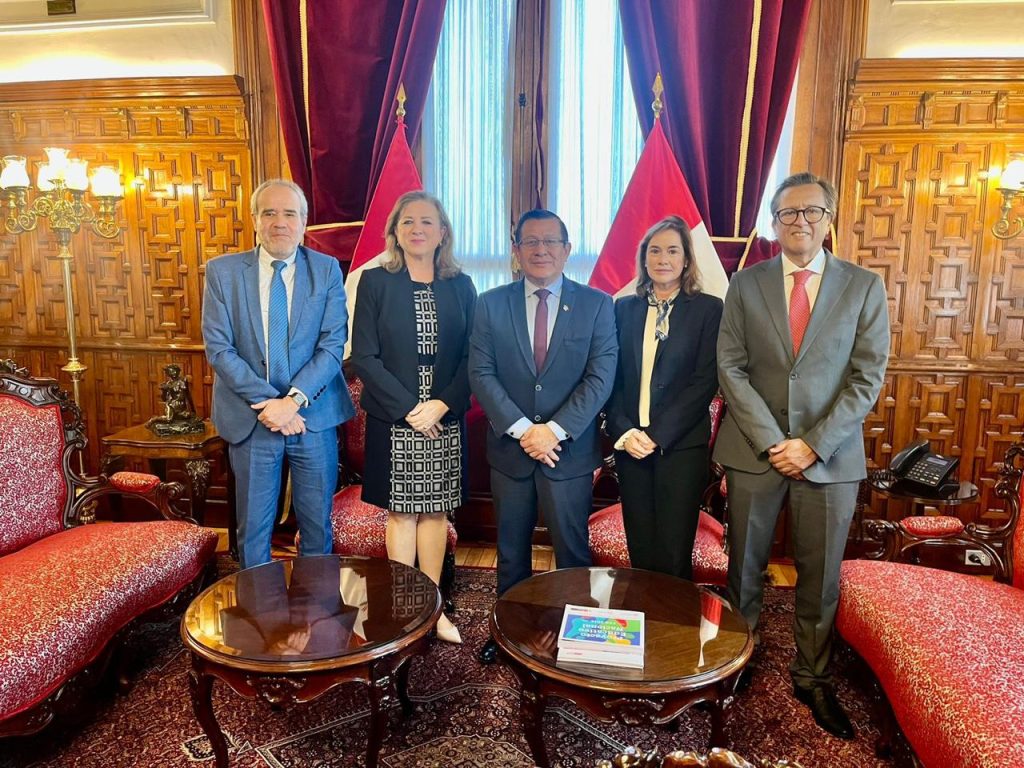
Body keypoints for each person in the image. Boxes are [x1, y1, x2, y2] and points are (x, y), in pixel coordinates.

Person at [714, 172, 889, 739]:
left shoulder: (863, 286)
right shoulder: (746, 284)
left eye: (812, 212)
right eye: (789, 213)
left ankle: (812, 676)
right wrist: (773, 440)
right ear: (773, 223)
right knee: (742, 566)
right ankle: (735, 663)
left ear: (829, 218)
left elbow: (866, 379)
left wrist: (812, 443)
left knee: (820, 576)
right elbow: (731, 368)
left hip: (829, 458)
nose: (801, 222)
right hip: (754, 451)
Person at [469, 209, 617, 664]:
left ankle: (576, 635)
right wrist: (521, 430)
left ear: (567, 249)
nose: (540, 250)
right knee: (511, 549)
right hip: (510, 450)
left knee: (571, 550)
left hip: (567, 452)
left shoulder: (596, 304)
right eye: (529, 242)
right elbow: (481, 371)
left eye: (551, 241)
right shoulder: (490, 303)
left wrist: (552, 431)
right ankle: (511, 630)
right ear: (515, 251)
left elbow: (601, 375)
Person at [202, 179, 354, 570]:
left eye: (290, 213)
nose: (279, 222)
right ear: (254, 219)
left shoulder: (326, 271)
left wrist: (293, 401)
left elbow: (333, 344)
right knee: (253, 530)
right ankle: (259, 621)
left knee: (317, 528)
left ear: (303, 221)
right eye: (269, 212)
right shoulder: (223, 272)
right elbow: (220, 349)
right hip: (253, 418)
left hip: (312, 417)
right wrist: (272, 404)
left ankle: (316, 615)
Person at [350, 191, 476, 645]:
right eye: (407, 222)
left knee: (435, 513)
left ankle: (435, 608)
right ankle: (405, 608)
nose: (417, 228)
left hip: (443, 415)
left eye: (427, 221)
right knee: (402, 514)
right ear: (395, 232)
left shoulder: (461, 284)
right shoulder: (375, 282)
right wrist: (409, 408)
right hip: (395, 414)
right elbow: (364, 355)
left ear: (443, 232)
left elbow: (473, 357)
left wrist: (442, 404)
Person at [605, 215, 722, 580]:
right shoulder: (623, 308)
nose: (663, 258)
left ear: (686, 258)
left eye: (673, 250)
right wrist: (625, 432)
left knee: (673, 551)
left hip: (681, 448)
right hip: (631, 446)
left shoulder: (709, 309)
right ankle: (642, 622)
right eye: (654, 251)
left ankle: (674, 631)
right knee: (640, 546)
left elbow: (705, 380)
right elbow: (612, 377)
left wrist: (657, 435)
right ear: (643, 259)